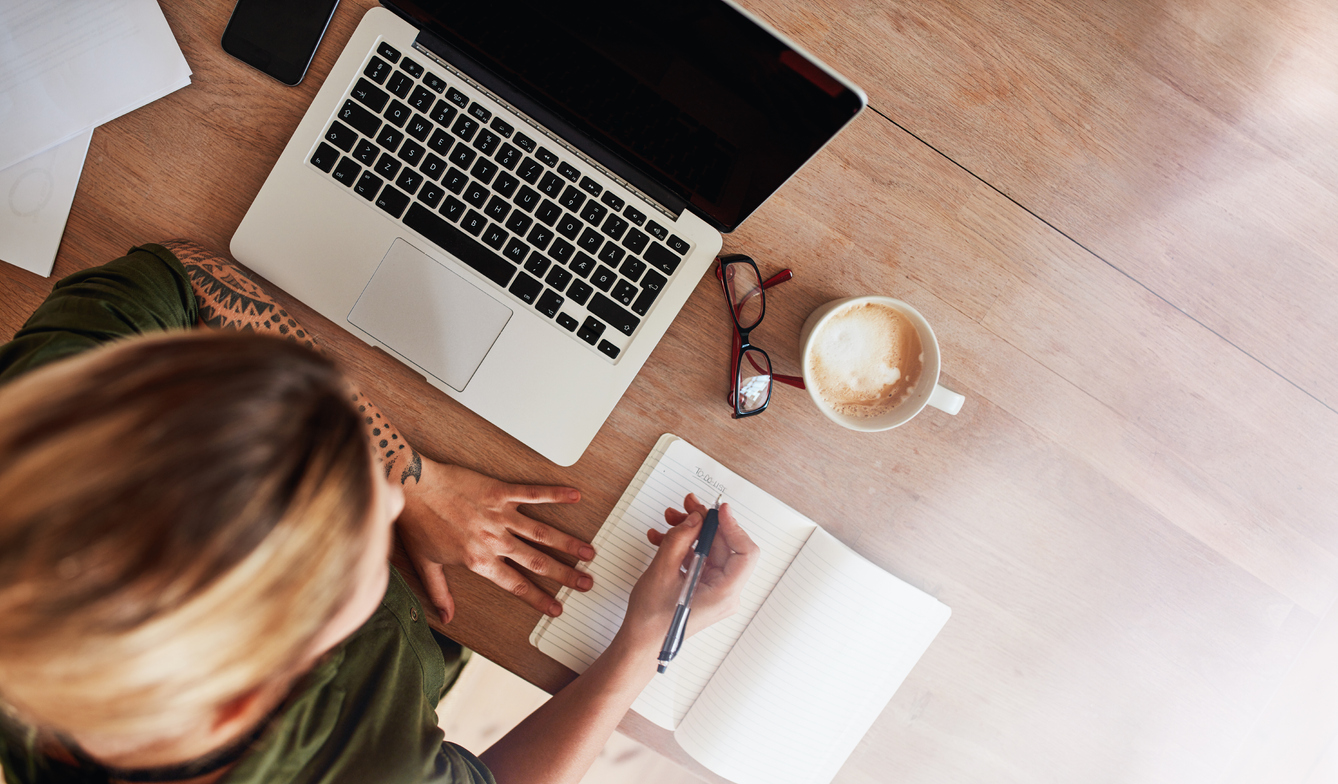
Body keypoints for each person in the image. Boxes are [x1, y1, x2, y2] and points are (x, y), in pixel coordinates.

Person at [0, 242, 759, 784]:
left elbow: (182, 274)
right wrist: (640, 649)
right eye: (361, 532)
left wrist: (418, 475)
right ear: (254, 698)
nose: (393, 494)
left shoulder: (40, 436)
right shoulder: (361, 766)